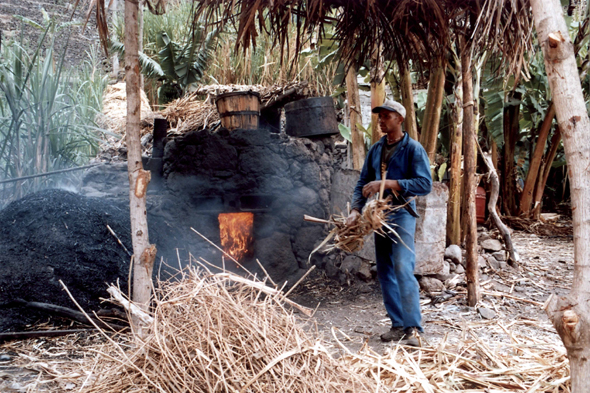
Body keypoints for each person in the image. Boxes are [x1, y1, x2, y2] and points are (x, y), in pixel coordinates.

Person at [346, 99, 432, 346]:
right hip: (378, 217)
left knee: (403, 267)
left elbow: (424, 184)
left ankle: (414, 328)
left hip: (402, 213)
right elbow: (362, 183)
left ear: (400, 119)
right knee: (384, 270)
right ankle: (398, 325)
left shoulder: (413, 149)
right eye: (380, 117)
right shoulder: (376, 150)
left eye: (386, 116)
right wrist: (355, 210)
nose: (381, 121)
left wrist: (388, 184)